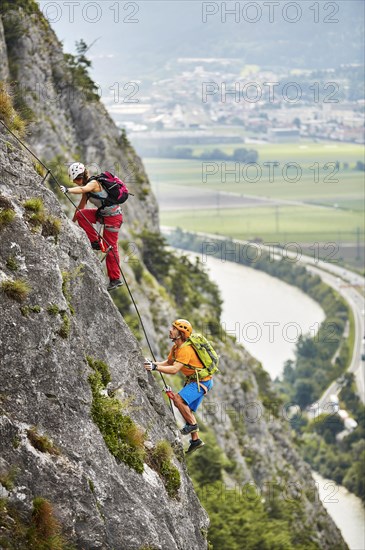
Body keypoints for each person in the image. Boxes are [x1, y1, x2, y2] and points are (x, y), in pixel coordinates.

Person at [144, 319, 214, 454]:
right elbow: (169, 362)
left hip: (201, 382)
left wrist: (154, 367)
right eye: (172, 327)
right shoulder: (176, 347)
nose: (170, 330)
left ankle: (193, 426)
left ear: (181, 334)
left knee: (178, 400)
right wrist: (154, 363)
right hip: (198, 380)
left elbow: (174, 369)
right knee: (186, 409)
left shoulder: (185, 350)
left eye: (174, 329)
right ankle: (196, 440)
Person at [60, 162, 123, 292]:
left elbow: (83, 189)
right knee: (81, 215)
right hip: (104, 214)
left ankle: (115, 279)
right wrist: (71, 223)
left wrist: (68, 190)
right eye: (75, 180)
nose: (76, 182)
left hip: (113, 217)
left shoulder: (93, 184)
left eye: (77, 179)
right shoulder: (86, 188)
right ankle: (94, 243)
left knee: (110, 247)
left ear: (82, 176)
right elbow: (81, 208)